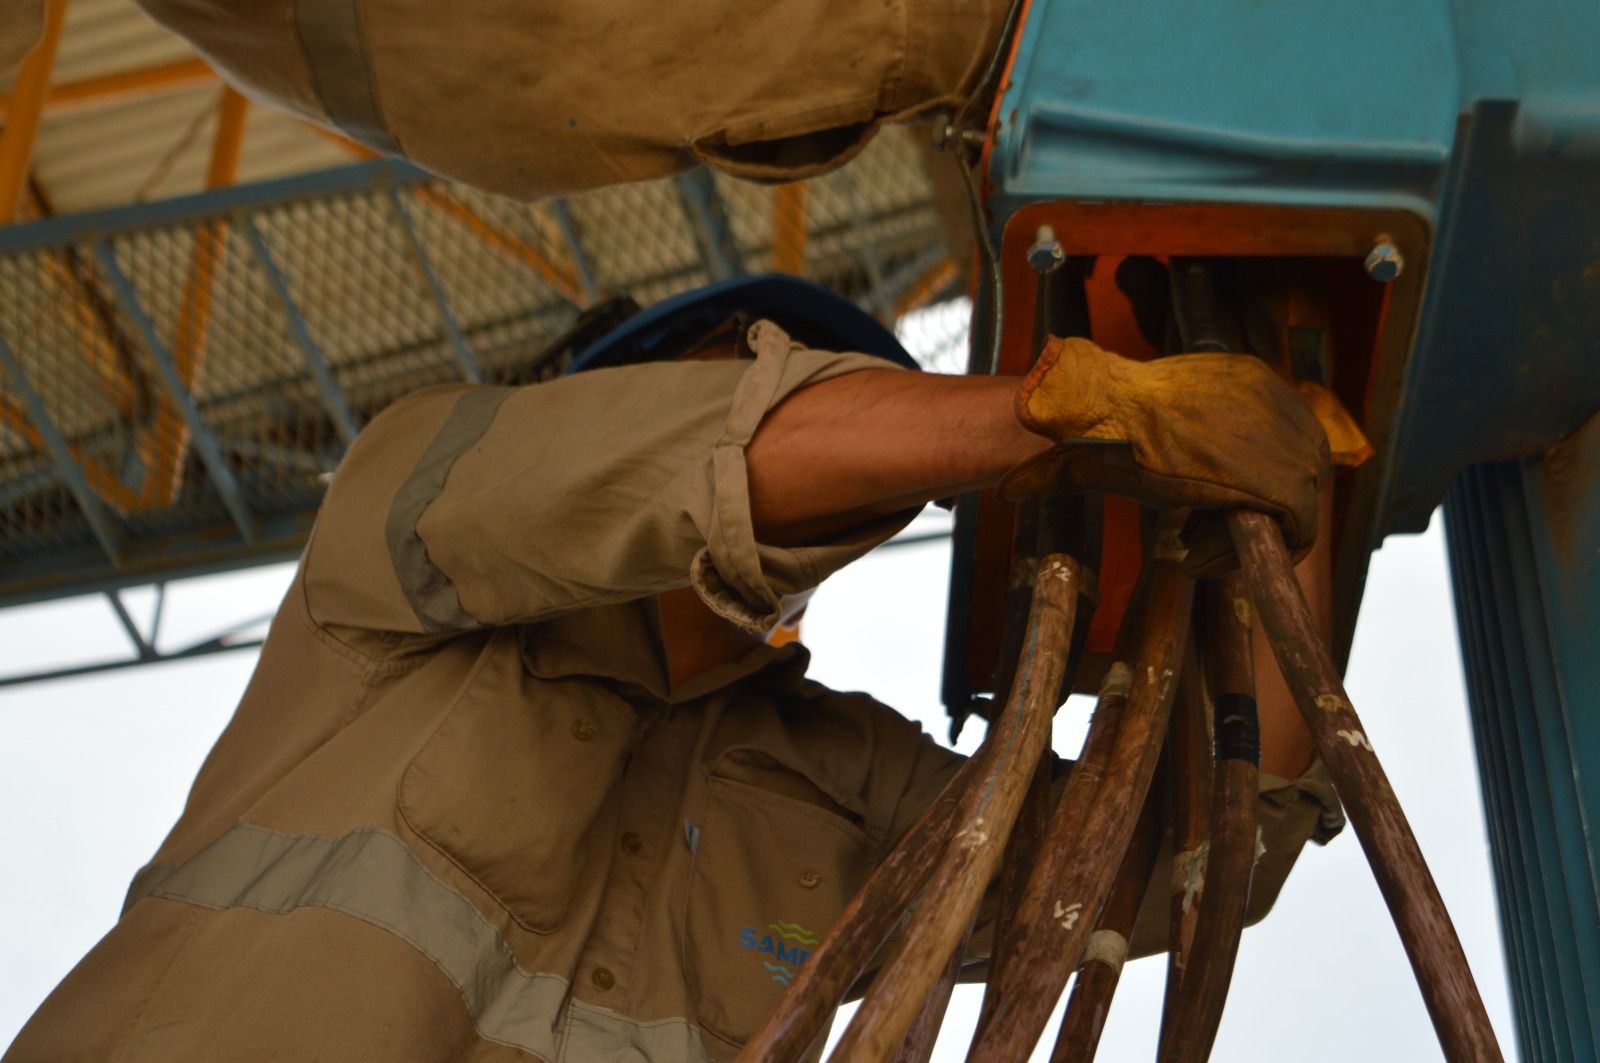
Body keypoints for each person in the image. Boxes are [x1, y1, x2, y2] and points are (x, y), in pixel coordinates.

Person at [7, 275, 1341, 1062]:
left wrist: (1293, 496)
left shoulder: (844, 781)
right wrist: (1062, 416)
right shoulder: (406, 531)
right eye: (746, 369)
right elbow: (703, 461)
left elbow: (1191, 850)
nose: (787, 399)